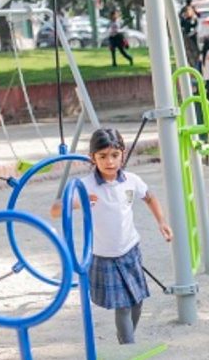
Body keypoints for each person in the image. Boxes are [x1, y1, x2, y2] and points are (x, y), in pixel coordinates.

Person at [50, 128, 173, 344]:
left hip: (130, 250)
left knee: (137, 302)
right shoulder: (85, 186)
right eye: (103, 156)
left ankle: (125, 337)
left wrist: (161, 222)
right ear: (92, 158)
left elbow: (150, 197)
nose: (110, 162)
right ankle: (128, 347)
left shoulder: (131, 180)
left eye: (115, 155)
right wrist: (79, 202)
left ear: (122, 154)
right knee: (123, 306)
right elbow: (55, 210)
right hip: (104, 255)